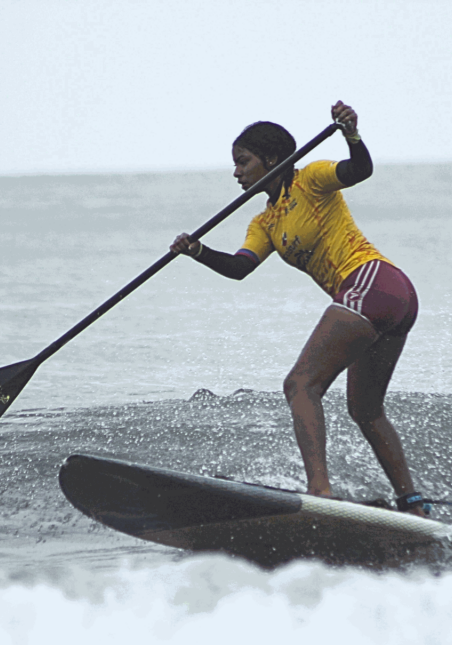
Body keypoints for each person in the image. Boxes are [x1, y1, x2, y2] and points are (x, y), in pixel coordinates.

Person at [170, 101, 426, 516]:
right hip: (384, 297)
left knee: (300, 384)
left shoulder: (311, 179)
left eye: (243, 162)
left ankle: (319, 492)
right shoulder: (265, 222)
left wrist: (352, 134)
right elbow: (240, 268)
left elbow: (359, 171)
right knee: (364, 409)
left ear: (271, 159)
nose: (236, 172)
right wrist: (196, 251)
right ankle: (412, 503)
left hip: (372, 281)